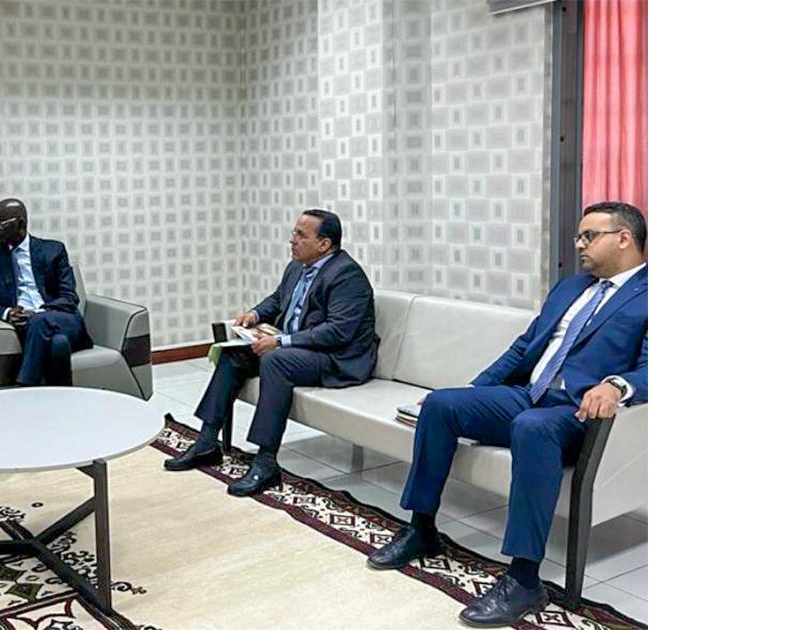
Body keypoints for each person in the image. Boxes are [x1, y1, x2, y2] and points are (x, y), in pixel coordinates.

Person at [368, 201, 648, 627]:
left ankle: (524, 579)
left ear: (624, 238)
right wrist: (475, 390)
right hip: (529, 395)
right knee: (442, 404)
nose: (579, 244)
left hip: (579, 413)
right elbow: (524, 347)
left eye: (589, 236)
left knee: (532, 428)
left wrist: (616, 385)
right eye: (579, 236)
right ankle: (422, 529)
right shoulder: (571, 287)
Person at [164, 209, 379, 496]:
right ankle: (206, 442)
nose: (292, 240)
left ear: (324, 244)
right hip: (300, 348)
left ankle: (266, 462)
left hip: (337, 358)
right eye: (293, 233)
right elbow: (278, 299)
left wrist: (281, 342)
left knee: (276, 361)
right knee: (233, 353)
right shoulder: (297, 267)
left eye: (301, 235)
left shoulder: (347, 275)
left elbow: (338, 332)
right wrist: (254, 314)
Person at [0, 198, 94, 386]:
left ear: (21, 224)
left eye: (1, 223)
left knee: (39, 320)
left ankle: (25, 385)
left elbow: (69, 298)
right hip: (27, 326)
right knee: (58, 345)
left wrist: (39, 313)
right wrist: (7, 313)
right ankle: (63, 399)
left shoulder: (53, 250)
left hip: (62, 318)